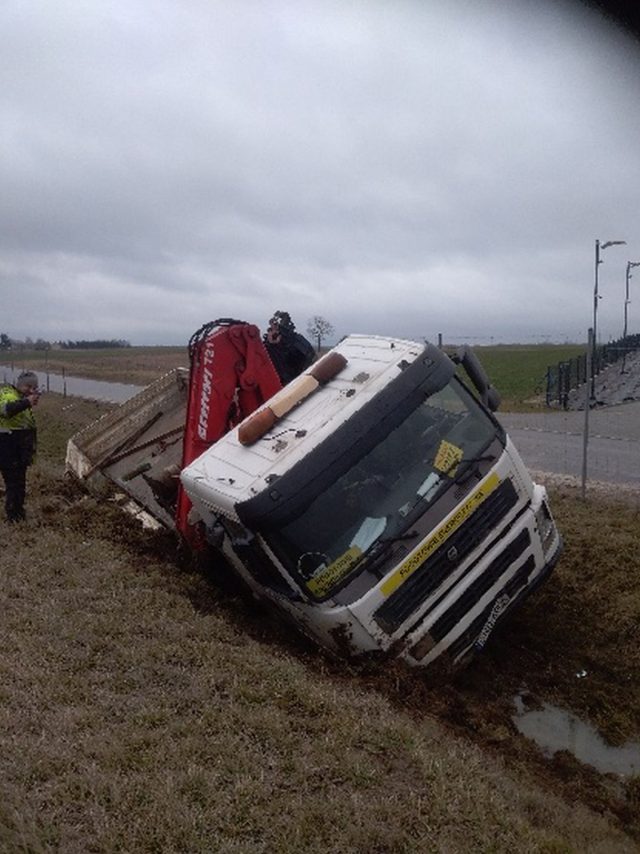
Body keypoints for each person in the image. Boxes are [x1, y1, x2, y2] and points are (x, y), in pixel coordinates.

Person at [0, 371, 40, 522]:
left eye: (34, 387)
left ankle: (18, 514)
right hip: (8, 450)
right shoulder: (9, 396)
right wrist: (27, 402)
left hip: (16, 451)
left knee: (18, 485)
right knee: (14, 486)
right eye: (28, 386)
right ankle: (14, 518)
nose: (31, 390)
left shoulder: (18, 397)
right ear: (19, 385)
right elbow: (5, 410)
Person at [263, 311, 316, 384]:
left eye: (275, 325)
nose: (273, 329)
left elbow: (309, 358)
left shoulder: (294, 340)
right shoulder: (271, 344)